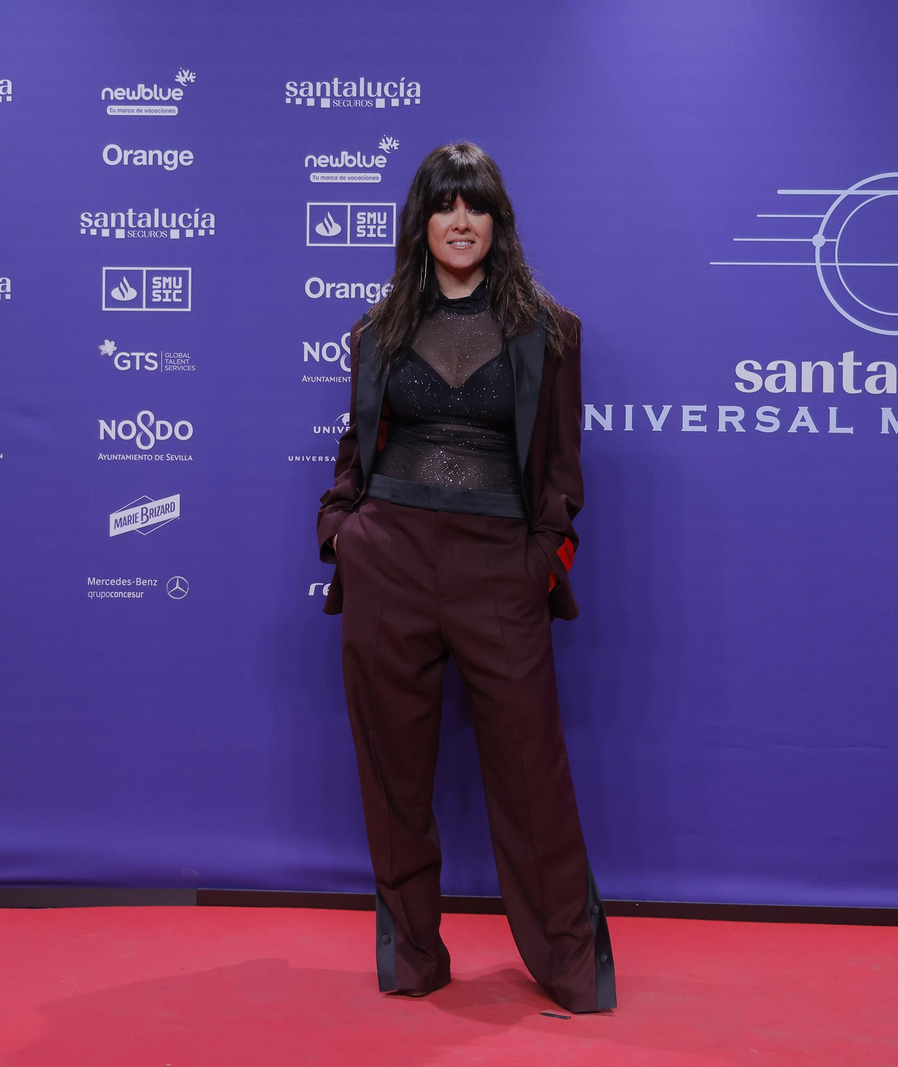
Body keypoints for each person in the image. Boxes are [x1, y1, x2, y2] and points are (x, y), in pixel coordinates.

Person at [316, 142, 615, 1013]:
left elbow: (561, 471)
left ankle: (567, 965)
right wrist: (343, 534)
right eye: (444, 205)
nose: (459, 221)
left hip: (498, 568)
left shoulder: (550, 332)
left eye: (475, 206)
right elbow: (355, 450)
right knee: (394, 775)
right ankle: (412, 955)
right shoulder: (378, 330)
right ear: (421, 222)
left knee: (532, 776)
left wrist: (537, 561)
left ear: (497, 223)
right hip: (390, 563)